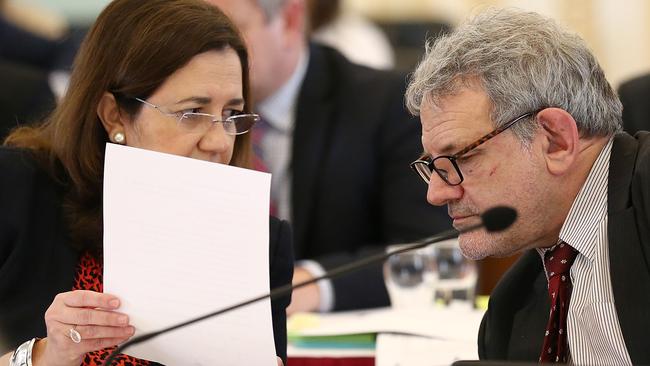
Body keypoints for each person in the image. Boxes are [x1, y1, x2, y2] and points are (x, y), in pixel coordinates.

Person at [0, 0, 292, 365]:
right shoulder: (20, 187)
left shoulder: (261, 243)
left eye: (231, 114)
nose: (220, 142)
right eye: (192, 113)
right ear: (114, 115)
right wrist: (46, 356)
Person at [405, 8, 649, 365]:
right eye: (433, 167)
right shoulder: (509, 311)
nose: (437, 193)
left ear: (555, 141)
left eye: (461, 157)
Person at [206, 0, 451, 313]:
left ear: (291, 21)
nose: (203, 51)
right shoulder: (181, 112)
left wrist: (301, 287)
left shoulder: (388, 105)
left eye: (225, 32)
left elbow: (431, 253)